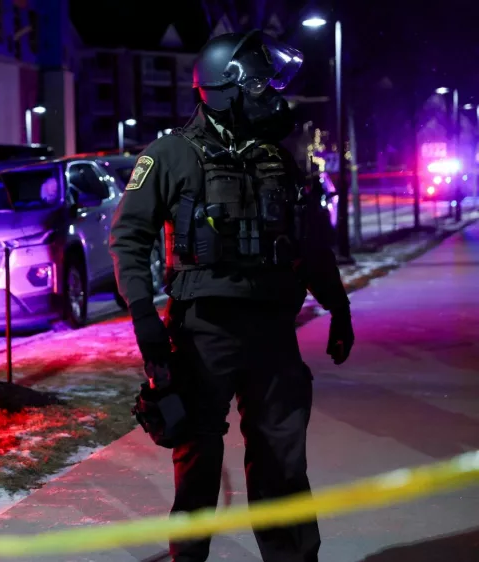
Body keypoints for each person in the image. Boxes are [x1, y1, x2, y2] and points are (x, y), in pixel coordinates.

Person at [110, 30, 354, 562]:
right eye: (262, 85)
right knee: (197, 467)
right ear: (228, 89)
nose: (273, 97)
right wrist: (144, 318)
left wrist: (338, 306)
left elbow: (309, 241)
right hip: (203, 332)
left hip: (272, 334)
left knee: (283, 464)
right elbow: (128, 238)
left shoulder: (278, 158)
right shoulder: (171, 154)